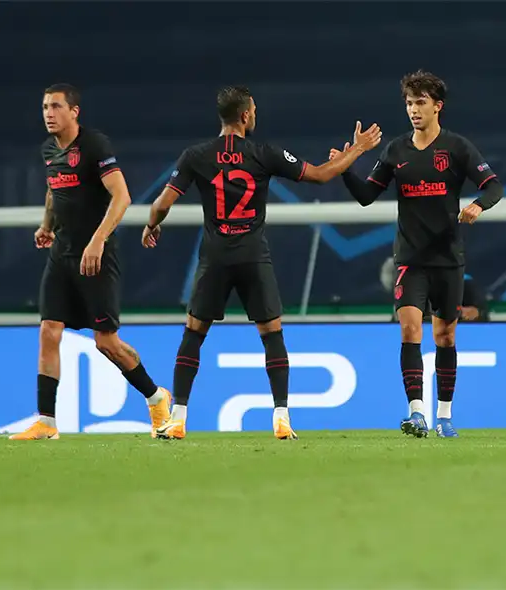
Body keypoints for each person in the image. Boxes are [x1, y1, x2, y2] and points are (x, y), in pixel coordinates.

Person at [142, 85, 382, 440]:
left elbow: (162, 203)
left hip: (216, 258)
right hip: (253, 255)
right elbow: (320, 174)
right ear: (244, 116)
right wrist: (358, 149)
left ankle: (178, 417)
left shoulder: (196, 155)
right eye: (253, 110)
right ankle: (281, 416)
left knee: (194, 334)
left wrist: (152, 225)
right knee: (271, 335)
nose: (255, 115)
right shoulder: (264, 153)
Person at [330, 70, 504, 438]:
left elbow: (493, 186)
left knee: (445, 336)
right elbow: (366, 196)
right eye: (409, 103)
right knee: (410, 329)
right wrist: (345, 169)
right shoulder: (396, 150)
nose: (413, 109)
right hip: (409, 257)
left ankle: (445, 416)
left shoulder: (457, 147)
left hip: (448, 258)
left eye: (420, 103)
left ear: (438, 106)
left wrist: (478, 205)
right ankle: (416, 412)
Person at [11, 83, 172, 441]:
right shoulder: (48, 149)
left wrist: (98, 241)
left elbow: (122, 196)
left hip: (96, 257)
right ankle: (46, 422)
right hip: (62, 254)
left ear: (74, 112)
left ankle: (156, 396)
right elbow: (54, 189)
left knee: (106, 342)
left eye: (56, 106)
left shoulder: (95, 146)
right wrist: (47, 225)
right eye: (45, 107)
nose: (48, 113)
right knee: (49, 330)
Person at [379, 257, 489, 322]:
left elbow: (478, 313)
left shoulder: (465, 283)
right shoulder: (410, 289)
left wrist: (457, 313)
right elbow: (398, 323)